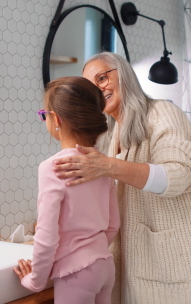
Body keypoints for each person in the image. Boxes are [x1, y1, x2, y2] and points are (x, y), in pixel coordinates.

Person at [52, 52, 191, 303]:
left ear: (125, 74)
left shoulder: (161, 113)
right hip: (143, 265)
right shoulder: (111, 133)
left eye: (103, 77)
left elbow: (179, 174)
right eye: (91, 86)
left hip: (183, 263)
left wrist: (108, 165)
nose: (99, 88)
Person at [14, 76, 120, 304]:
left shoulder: (53, 168)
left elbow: (47, 235)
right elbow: (113, 224)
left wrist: (36, 280)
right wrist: (93, 250)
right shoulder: (100, 163)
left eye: (44, 115)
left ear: (56, 119)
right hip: (105, 265)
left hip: (77, 272)